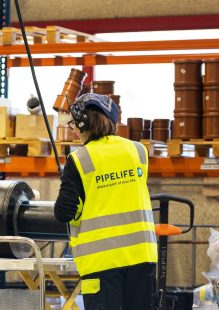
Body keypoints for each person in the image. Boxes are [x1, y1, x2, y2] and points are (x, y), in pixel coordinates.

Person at [55, 93, 157, 310]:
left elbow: (64, 212)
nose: (73, 129)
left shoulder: (79, 160)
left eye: (73, 123)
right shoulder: (139, 151)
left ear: (83, 123)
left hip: (101, 262)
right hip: (142, 256)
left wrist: (69, 184)